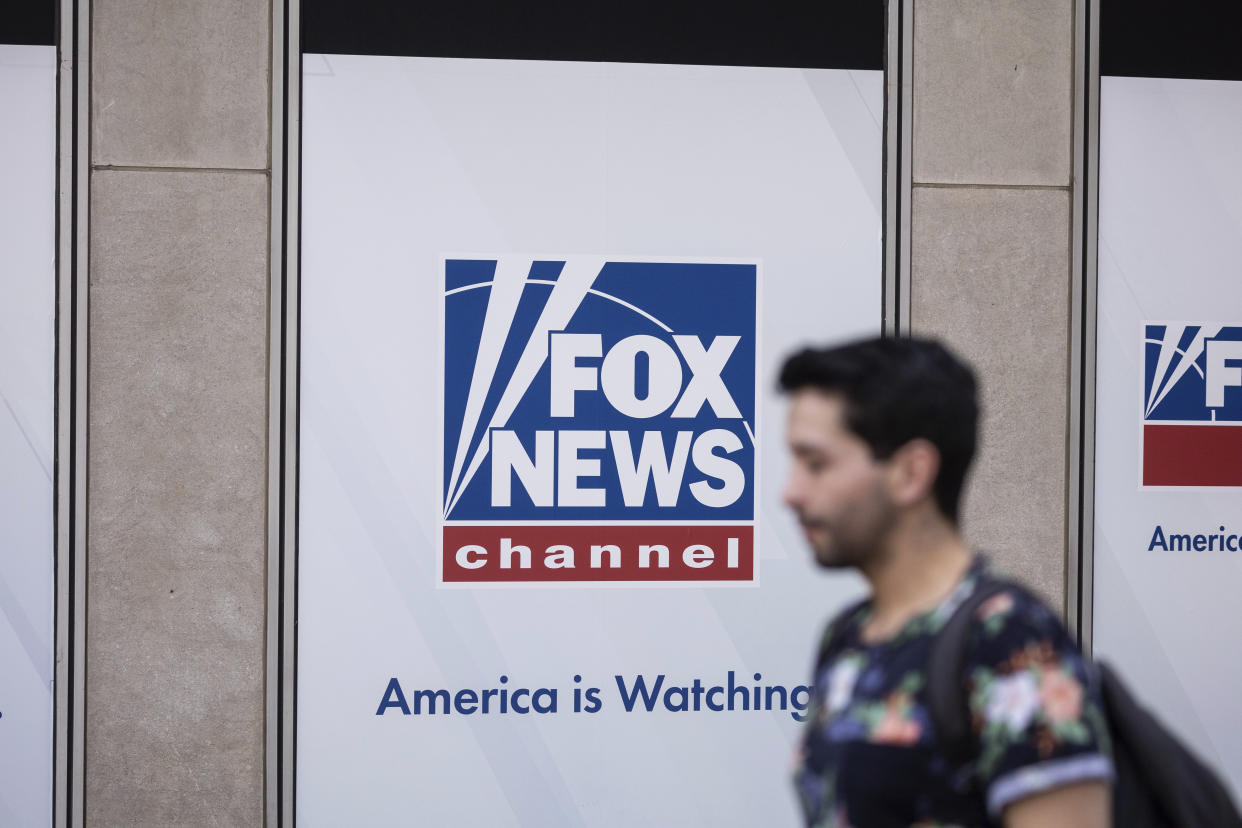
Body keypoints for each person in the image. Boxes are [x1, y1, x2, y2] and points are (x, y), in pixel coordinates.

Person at [781, 336, 1112, 828]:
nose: (791, 492)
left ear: (911, 473)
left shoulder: (1009, 639)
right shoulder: (846, 636)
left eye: (816, 464)